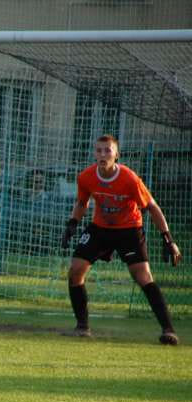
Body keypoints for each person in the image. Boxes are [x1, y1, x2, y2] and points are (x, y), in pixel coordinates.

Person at [61, 134, 181, 344]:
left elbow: (152, 207)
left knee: (142, 276)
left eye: (107, 150)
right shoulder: (86, 177)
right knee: (76, 270)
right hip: (100, 228)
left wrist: (168, 239)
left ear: (116, 154)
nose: (102, 154)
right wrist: (72, 224)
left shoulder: (129, 179)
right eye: (98, 150)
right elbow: (82, 203)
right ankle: (82, 327)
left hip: (129, 229)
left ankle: (168, 330)